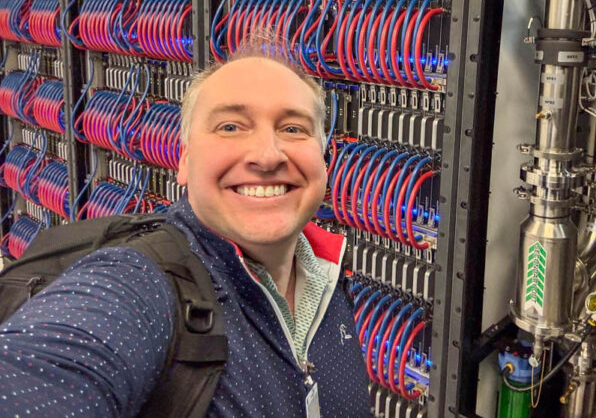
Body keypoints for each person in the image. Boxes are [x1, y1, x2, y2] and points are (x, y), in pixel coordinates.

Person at [0, 39, 371, 417]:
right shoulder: (141, 284)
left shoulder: (327, 277)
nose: (267, 155)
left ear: (324, 159)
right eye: (230, 126)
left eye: (293, 128)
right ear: (184, 159)